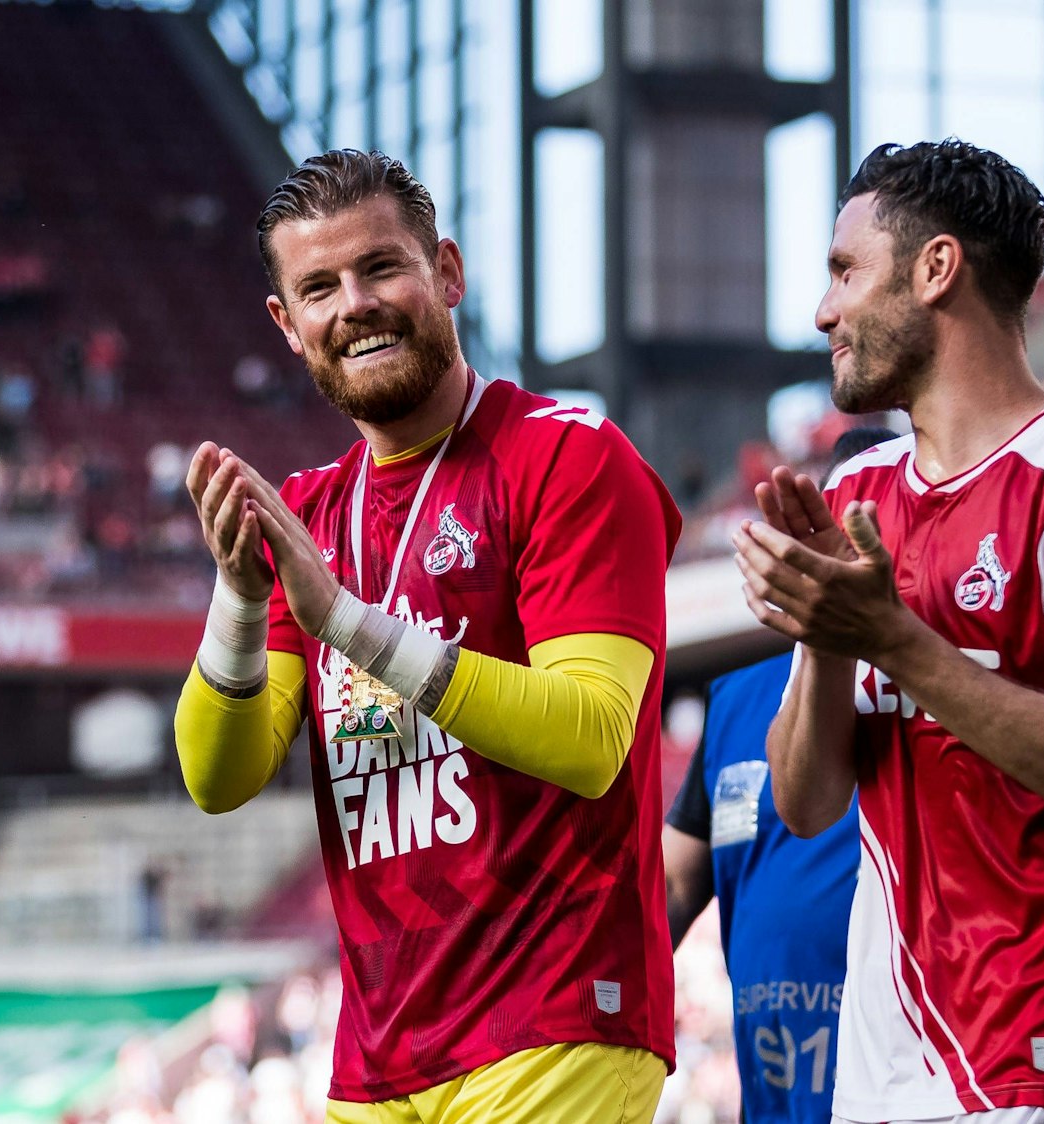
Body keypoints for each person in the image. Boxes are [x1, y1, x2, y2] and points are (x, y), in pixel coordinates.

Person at [173, 149, 679, 1122]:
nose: (354, 303)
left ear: (446, 272)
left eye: (381, 267)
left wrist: (349, 625)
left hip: (558, 1016)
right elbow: (218, 776)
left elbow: (592, 738)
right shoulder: (309, 515)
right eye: (318, 286)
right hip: (378, 1053)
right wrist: (239, 598)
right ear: (287, 324)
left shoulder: (568, 456)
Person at [731, 140, 1044, 1124]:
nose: (823, 311)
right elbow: (807, 801)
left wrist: (892, 639)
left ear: (936, 268)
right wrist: (825, 631)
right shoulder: (855, 495)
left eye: (844, 271)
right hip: (878, 1081)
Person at [663, 425, 895, 1124]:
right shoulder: (736, 702)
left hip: (911, 1096)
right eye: (837, 518)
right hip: (776, 1103)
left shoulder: (945, 683)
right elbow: (676, 881)